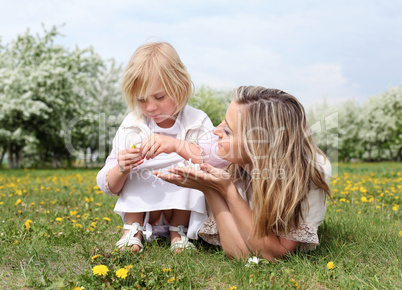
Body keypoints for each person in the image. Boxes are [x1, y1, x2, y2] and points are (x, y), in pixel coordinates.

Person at [155, 86, 332, 261]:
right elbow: (238, 251)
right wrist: (211, 190)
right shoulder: (228, 162)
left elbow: (272, 254)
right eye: (223, 122)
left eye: (227, 131)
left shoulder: (311, 171)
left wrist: (228, 191)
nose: (216, 131)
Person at [96, 42, 226, 253]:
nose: (150, 107)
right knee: (134, 165)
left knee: (192, 163)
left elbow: (217, 162)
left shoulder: (197, 120)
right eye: (141, 99)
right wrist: (120, 169)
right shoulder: (133, 125)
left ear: (181, 87)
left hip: (181, 210)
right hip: (147, 212)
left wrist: (177, 146)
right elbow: (105, 183)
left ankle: (178, 231)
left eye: (159, 97)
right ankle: (132, 229)